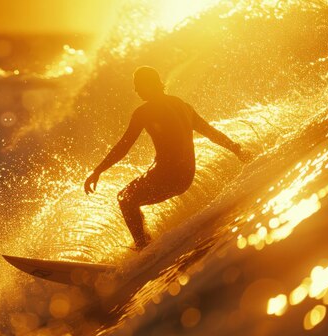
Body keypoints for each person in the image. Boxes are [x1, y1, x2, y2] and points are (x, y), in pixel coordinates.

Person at [84, 66, 252, 251]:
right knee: (132, 197)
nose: (136, 90)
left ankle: (144, 248)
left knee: (125, 198)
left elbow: (124, 146)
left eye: (138, 85)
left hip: (168, 176)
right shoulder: (182, 105)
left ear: (150, 85)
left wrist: (98, 170)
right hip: (186, 176)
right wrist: (236, 149)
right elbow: (210, 132)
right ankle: (146, 242)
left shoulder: (144, 112)